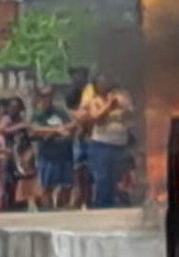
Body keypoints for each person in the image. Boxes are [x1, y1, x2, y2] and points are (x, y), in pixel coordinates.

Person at [76, 75, 133, 209]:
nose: (104, 85)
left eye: (106, 82)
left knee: (114, 178)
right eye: (101, 83)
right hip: (101, 144)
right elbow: (97, 118)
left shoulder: (120, 97)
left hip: (119, 144)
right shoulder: (95, 100)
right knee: (102, 177)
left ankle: (110, 204)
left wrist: (118, 104)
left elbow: (129, 113)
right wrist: (109, 105)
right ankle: (101, 205)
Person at [30, 86, 75, 210]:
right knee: (47, 186)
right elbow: (34, 129)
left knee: (66, 184)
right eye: (44, 96)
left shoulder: (59, 111)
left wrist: (66, 129)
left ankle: (63, 208)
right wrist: (56, 131)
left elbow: (71, 123)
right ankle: (48, 210)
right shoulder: (38, 114)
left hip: (64, 153)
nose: (47, 98)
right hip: (48, 155)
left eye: (50, 95)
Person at [0, 97, 35, 210]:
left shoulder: (21, 119)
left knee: (24, 177)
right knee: (11, 177)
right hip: (11, 152)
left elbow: (30, 133)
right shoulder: (6, 119)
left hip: (23, 150)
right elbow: (2, 130)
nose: (15, 109)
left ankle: (22, 202)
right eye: (13, 107)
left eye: (18, 107)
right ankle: (10, 202)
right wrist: (19, 126)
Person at [66, 67, 92, 209]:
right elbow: (71, 112)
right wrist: (79, 123)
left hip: (90, 135)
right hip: (79, 136)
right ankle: (79, 199)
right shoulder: (72, 93)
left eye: (82, 74)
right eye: (77, 75)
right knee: (79, 170)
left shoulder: (91, 91)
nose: (79, 77)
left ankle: (87, 200)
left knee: (89, 171)